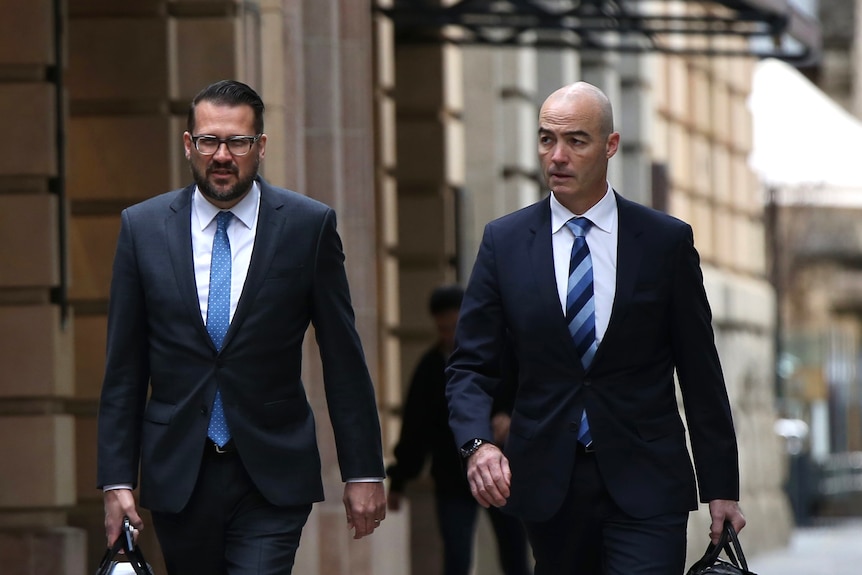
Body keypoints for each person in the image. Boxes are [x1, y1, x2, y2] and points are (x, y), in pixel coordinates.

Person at [445, 81, 746, 574]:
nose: (557, 156)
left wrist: (721, 489)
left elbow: (700, 373)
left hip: (648, 482)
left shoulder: (664, 242)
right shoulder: (505, 242)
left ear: (610, 145)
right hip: (549, 484)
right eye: (546, 140)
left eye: (575, 141)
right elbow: (470, 364)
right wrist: (477, 445)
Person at [96, 79, 386, 575]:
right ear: (189, 145)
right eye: (209, 141)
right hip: (179, 474)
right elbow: (124, 368)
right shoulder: (142, 229)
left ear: (261, 147)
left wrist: (363, 471)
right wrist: (116, 481)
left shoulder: (307, 226)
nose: (222, 155)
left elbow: (343, 357)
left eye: (238, 142)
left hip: (271, 473)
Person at [386, 285, 532, 575]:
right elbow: (415, 428)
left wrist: (513, 418)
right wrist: (400, 479)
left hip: (503, 473)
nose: (448, 336)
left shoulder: (503, 351)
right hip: (453, 478)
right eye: (442, 329)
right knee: (456, 558)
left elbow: (532, 392)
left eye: (454, 327)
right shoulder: (430, 368)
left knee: (515, 554)